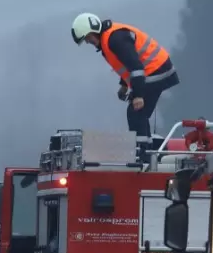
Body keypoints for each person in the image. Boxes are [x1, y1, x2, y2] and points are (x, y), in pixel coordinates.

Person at [71, 13, 179, 163]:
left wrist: (139, 95)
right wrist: (123, 85)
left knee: (136, 112)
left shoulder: (115, 39)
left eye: (88, 38)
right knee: (138, 113)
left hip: (156, 71)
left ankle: (144, 156)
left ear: (94, 30)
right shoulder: (110, 38)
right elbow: (127, 64)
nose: (89, 42)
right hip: (152, 71)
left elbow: (136, 66)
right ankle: (146, 152)